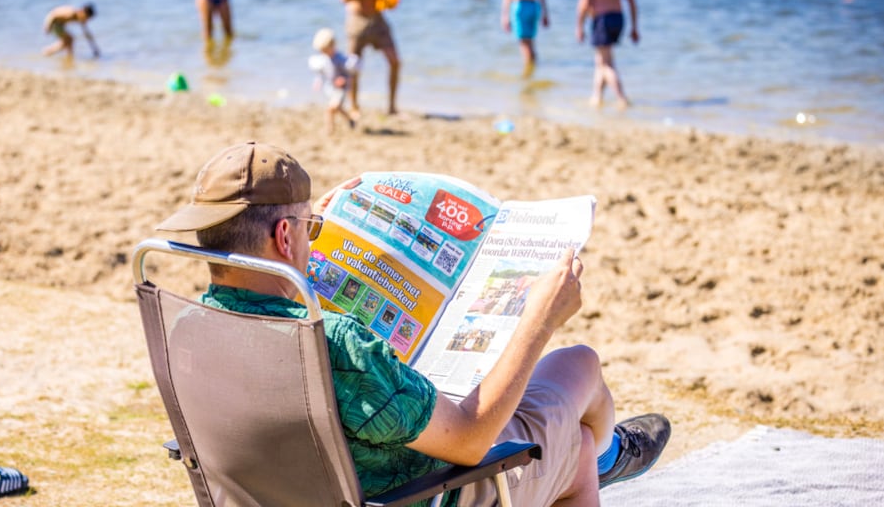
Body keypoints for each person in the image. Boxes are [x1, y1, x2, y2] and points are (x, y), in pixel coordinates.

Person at [156, 141, 672, 506]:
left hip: (284, 491)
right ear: (285, 235)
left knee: (569, 437)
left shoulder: (189, 330)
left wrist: (317, 236)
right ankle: (605, 458)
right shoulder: (336, 347)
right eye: (310, 228)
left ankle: (601, 459)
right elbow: (470, 441)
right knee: (576, 387)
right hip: (414, 494)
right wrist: (538, 321)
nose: (314, 238)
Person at [339, 0, 400, 118]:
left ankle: (391, 107)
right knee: (354, 66)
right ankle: (354, 106)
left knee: (395, 61)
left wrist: (392, 0)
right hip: (357, 20)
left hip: (378, 21)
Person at [576, 0, 638, 109]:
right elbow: (632, 2)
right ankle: (596, 98)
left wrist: (579, 26)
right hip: (618, 17)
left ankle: (622, 98)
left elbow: (584, 3)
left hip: (602, 19)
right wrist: (634, 27)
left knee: (607, 64)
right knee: (601, 60)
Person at [308, 28, 361, 134]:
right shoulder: (324, 59)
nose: (323, 52)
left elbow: (350, 73)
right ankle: (350, 119)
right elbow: (321, 73)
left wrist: (344, 79)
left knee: (331, 109)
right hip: (330, 88)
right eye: (321, 50)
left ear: (332, 46)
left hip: (340, 89)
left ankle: (329, 130)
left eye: (325, 49)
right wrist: (317, 81)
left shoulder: (340, 59)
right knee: (338, 108)